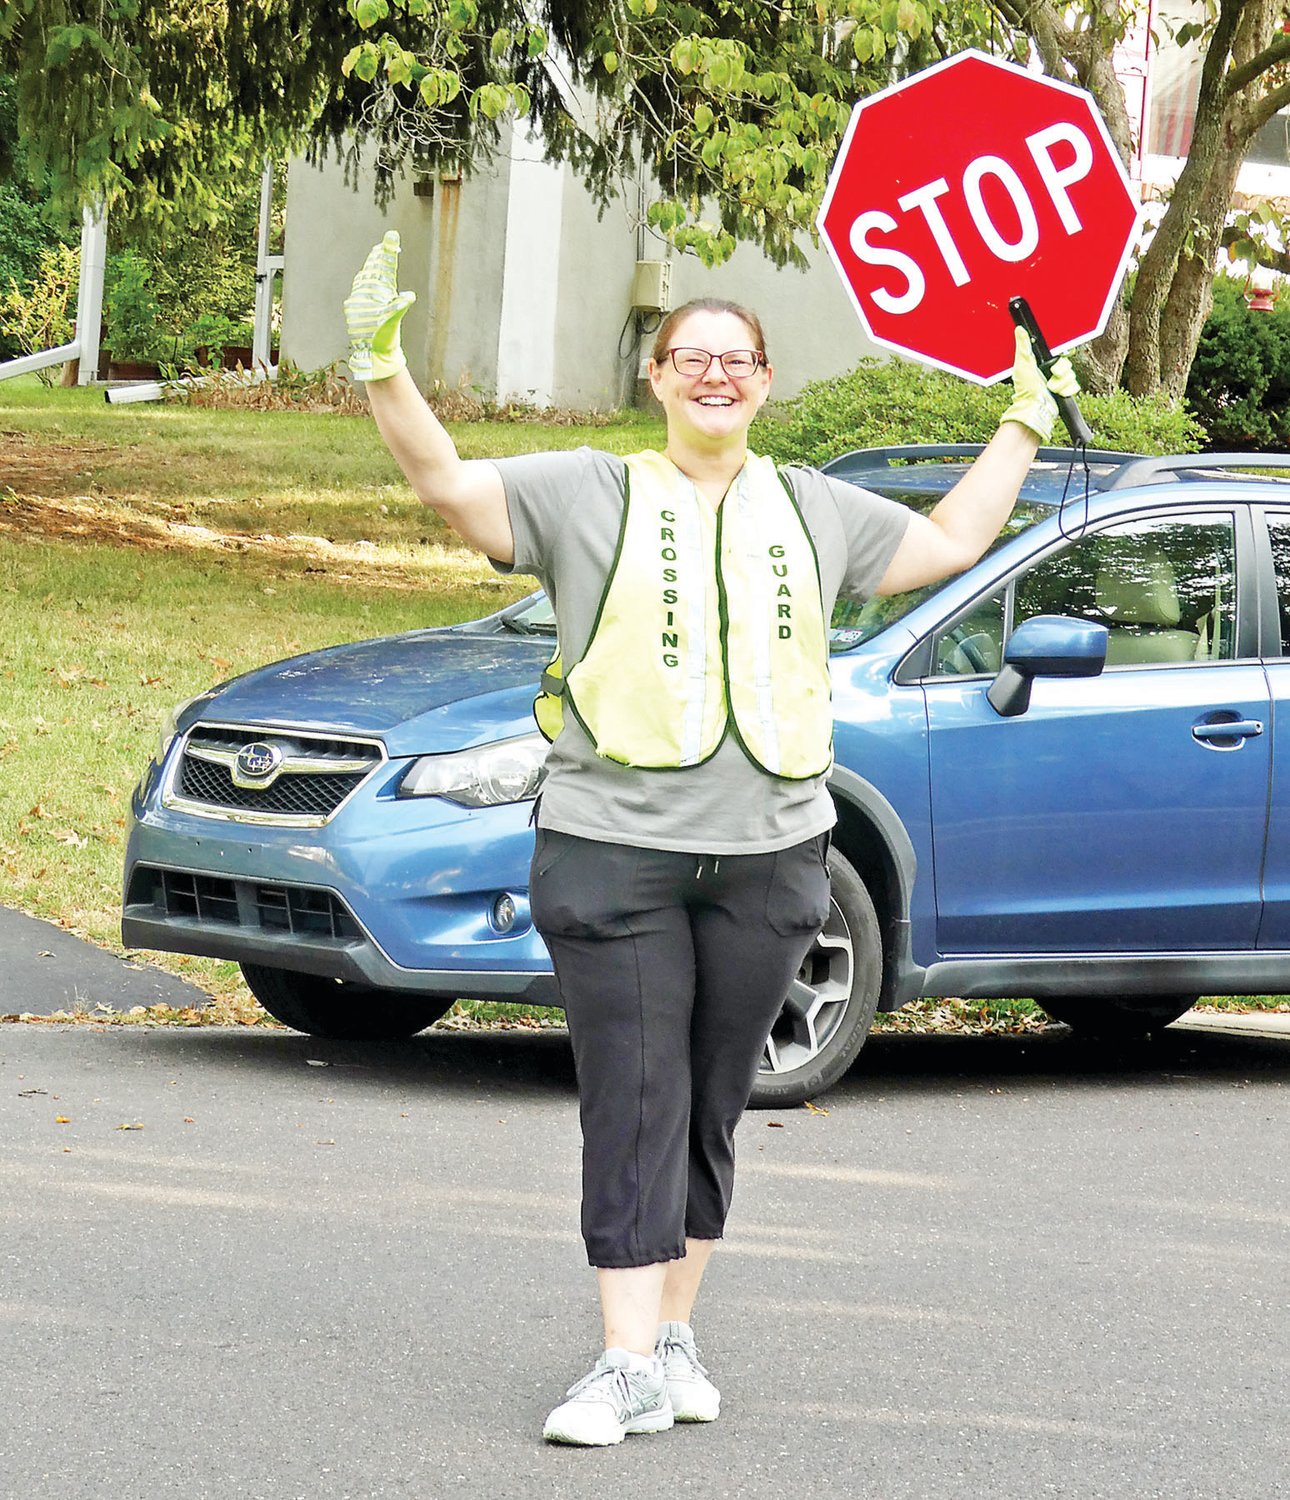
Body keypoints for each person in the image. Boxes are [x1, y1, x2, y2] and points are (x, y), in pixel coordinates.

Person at [344, 231, 1077, 1446]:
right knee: (635, 1094)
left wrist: (1025, 423)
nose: (716, 376)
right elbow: (450, 487)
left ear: (767, 380)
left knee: (710, 1105)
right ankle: (623, 1358)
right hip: (611, 852)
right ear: (658, 377)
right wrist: (381, 367)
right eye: (693, 357)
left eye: (738, 360)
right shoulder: (589, 490)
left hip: (775, 857)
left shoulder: (815, 506)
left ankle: (672, 1334)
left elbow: (947, 544)